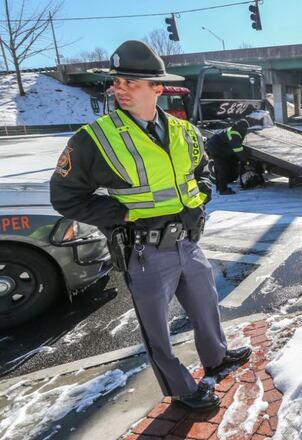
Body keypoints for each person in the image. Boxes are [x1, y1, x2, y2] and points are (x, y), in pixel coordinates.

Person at [49, 40, 251, 412]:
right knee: (156, 329)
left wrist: (203, 194)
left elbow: (202, 169)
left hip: (189, 242)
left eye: (129, 82)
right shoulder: (94, 139)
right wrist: (121, 215)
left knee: (207, 305)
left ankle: (217, 357)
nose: (118, 89)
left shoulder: (184, 131)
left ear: (157, 88)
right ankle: (181, 389)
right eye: (116, 82)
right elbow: (65, 196)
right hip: (144, 251)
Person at [206, 119, 248, 195]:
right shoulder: (234, 134)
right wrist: (245, 161)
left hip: (215, 146)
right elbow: (239, 150)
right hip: (216, 149)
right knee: (222, 169)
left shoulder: (234, 129)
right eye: (246, 128)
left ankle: (220, 188)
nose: (246, 130)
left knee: (219, 169)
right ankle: (223, 190)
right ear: (242, 128)